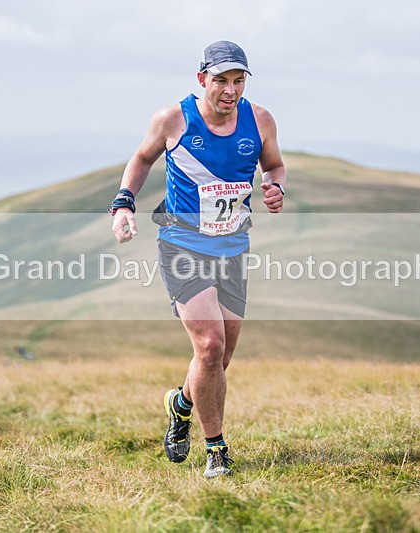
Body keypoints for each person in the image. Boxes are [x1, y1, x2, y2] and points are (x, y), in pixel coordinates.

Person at [110, 41, 286, 477]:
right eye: (222, 81)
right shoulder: (173, 119)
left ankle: (181, 403)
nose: (231, 91)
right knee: (209, 346)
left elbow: (275, 166)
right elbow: (142, 158)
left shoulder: (259, 120)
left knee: (219, 360)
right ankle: (216, 451)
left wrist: (276, 187)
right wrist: (124, 203)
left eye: (239, 81)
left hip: (233, 248)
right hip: (182, 244)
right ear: (201, 79)